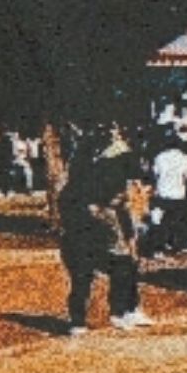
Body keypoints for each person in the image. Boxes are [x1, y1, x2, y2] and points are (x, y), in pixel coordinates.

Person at [59, 130, 148, 332]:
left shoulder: (107, 171)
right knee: (86, 273)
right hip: (84, 230)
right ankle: (86, 319)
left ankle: (123, 311)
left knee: (123, 265)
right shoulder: (93, 179)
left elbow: (121, 206)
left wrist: (129, 237)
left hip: (96, 226)